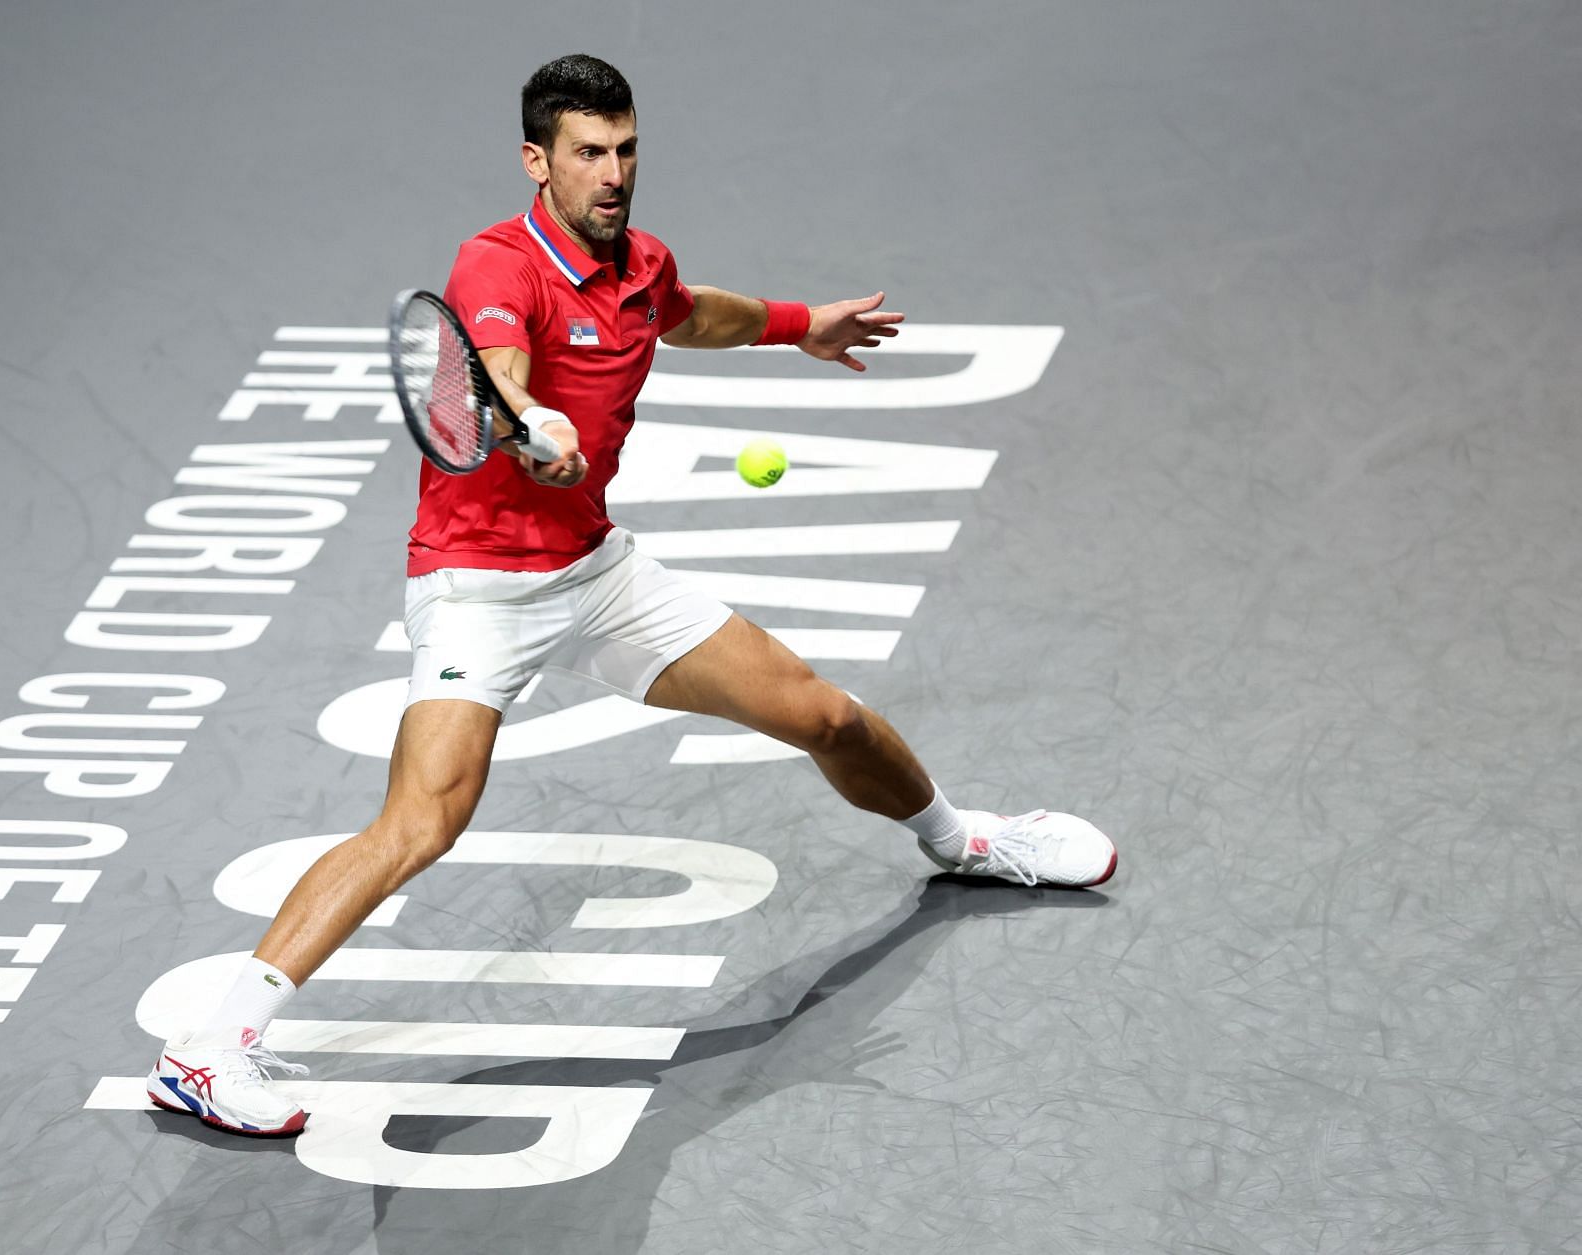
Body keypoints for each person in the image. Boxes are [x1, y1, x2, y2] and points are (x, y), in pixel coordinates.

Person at [146, 53, 1117, 1138]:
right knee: (424, 821)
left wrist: (803, 324)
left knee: (825, 714)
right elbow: (501, 368)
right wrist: (532, 423)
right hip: (479, 588)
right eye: (589, 153)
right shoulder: (494, 265)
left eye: (627, 150)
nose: (614, 173)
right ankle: (209, 1048)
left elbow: (688, 311)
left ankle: (965, 839)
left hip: (597, 572)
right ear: (538, 159)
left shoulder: (637, 261)